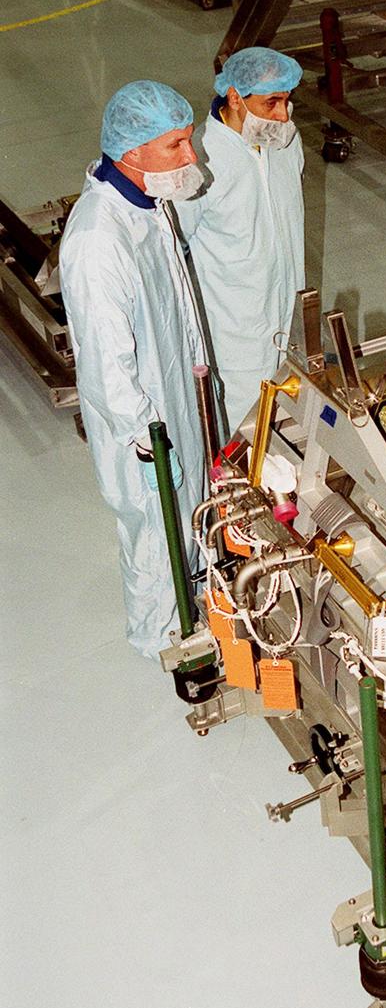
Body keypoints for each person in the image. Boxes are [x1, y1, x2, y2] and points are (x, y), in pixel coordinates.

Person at [59, 80, 206, 660]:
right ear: (132, 152)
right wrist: (147, 439)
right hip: (142, 426)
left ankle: (191, 603)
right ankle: (157, 636)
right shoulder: (98, 239)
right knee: (153, 530)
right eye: (176, 145)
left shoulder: (147, 202)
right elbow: (105, 363)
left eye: (189, 140)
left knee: (186, 515)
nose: (190, 156)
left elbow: (175, 301)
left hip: (174, 392)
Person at [176, 46, 305, 434]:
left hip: (290, 311)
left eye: (286, 100)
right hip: (235, 330)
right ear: (235, 97)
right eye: (271, 103)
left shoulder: (284, 140)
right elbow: (174, 248)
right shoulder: (201, 158)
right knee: (244, 427)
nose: (283, 115)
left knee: (293, 415)